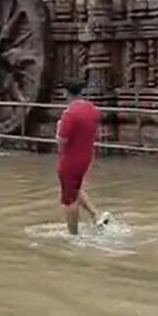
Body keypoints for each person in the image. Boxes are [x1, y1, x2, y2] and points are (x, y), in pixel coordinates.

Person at [56, 80, 110, 235]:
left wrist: (58, 128)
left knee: (68, 200)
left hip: (69, 160)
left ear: (66, 93)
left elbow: (61, 141)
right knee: (75, 188)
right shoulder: (92, 109)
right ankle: (96, 216)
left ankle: (73, 234)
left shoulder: (69, 114)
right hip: (85, 157)